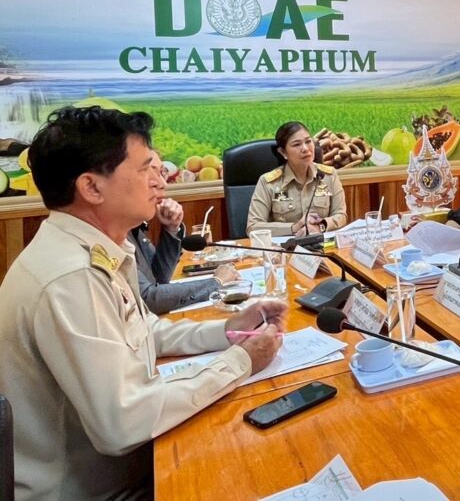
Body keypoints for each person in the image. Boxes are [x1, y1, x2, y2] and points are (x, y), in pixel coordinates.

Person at [0, 106, 285, 500]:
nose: (160, 179)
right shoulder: (70, 277)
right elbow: (123, 423)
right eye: (145, 168)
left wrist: (229, 329)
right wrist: (240, 361)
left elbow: (145, 331)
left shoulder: (93, 249)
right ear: (92, 188)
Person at [133, 153, 239, 314]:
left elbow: (158, 278)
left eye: (161, 173)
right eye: (149, 173)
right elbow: (150, 299)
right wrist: (215, 283)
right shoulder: (114, 233)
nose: (163, 184)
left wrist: (171, 229)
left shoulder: (133, 227)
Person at [247, 121, 348, 237]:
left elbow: (341, 215)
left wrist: (320, 226)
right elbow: (253, 226)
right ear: (283, 152)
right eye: (296, 144)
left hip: (321, 243)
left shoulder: (328, 176)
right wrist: (294, 227)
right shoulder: (268, 183)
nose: (305, 148)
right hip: (285, 246)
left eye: (308, 141)